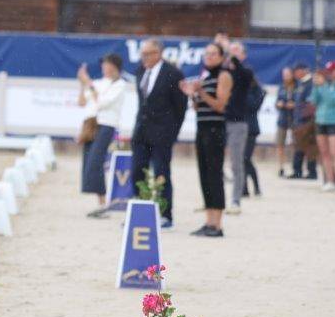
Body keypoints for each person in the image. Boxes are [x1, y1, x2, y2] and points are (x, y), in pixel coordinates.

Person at [130, 38, 188, 229]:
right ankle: (139, 212)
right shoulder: (140, 71)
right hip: (141, 133)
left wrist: (172, 133)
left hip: (162, 134)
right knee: (137, 171)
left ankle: (165, 214)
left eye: (148, 54)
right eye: (142, 54)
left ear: (159, 53)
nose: (144, 58)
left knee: (161, 174)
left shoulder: (173, 74)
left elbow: (180, 107)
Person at [183, 43, 233, 237]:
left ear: (221, 57)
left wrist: (201, 92)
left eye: (213, 54)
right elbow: (199, 107)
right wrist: (193, 94)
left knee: (214, 175)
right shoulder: (205, 76)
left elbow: (220, 105)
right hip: (202, 128)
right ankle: (209, 220)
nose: (209, 57)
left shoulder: (224, 75)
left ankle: (217, 224)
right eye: (207, 54)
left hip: (215, 130)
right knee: (204, 174)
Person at [78, 53, 126, 214]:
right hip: (91, 124)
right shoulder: (98, 83)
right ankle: (101, 202)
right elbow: (81, 102)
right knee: (89, 161)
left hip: (107, 125)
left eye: (106, 64)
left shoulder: (120, 85)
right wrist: (82, 85)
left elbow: (102, 103)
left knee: (96, 160)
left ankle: (103, 203)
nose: (104, 67)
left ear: (114, 66)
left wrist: (88, 83)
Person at [221, 41, 255, 214]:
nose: (232, 53)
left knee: (236, 162)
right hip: (220, 121)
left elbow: (240, 72)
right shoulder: (223, 72)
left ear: (243, 55)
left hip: (237, 123)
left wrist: (230, 54)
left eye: (236, 51)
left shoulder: (246, 73)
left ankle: (236, 199)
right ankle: (216, 200)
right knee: (214, 162)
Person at [310, 60, 335, 191]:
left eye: (334, 70)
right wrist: (316, 86)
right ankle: (330, 181)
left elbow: (333, 100)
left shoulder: (332, 86)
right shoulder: (326, 85)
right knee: (324, 153)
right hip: (321, 121)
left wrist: (323, 86)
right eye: (329, 71)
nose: (331, 73)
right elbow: (314, 100)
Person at [290, 63, 318, 180]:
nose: (295, 74)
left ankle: (310, 171)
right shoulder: (301, 83)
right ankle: (298, 170)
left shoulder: (310, 84)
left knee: (309, 146)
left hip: (306, 120)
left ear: (302, 71)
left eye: (296, 71)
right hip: (299, 120)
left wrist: (303, 116)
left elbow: (310, 103)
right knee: (299, 145)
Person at [244, 72, 265, 198]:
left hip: (251, 128)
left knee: (246, 158)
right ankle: (244, 188)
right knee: (241, 159)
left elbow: (253, 105)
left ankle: (256, 186)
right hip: (239, 127)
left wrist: (243, 92)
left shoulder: (257, 90)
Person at [275, 66, 295, 177]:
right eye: (284, 75)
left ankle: (295, 167)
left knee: (295, 144)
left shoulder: (297, 86)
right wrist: (279, 104)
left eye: (287, 75)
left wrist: (294, 105)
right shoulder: (281, 87)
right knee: (280, 144)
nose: (286, 77)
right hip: (282, 119)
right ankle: (281, 167)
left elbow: (300, 102)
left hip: (294, 119)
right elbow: (277, 102)